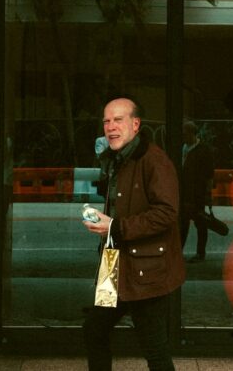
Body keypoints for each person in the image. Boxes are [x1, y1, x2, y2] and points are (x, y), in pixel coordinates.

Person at [82, 97, 185, 371]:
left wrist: (114, 226)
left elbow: (166, 213)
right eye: (106, 121)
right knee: (94, 330)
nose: (110, 127)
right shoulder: (117, 158)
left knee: (154, 347)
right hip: (113, 263)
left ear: (136, 124)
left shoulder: (154, 160)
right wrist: (105, 224)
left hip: (145, 269)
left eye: (118, 120)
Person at [179, 121, 215, 263]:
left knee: (199, 222)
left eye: (186, 133)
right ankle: (180, 251)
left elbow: (209, 174)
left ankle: (200, 252)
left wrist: (208, 194)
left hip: (197, 192)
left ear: (193, 133)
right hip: (184, 192)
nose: (184, 136)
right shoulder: (183, 148)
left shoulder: (203, 150)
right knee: (183, 223)